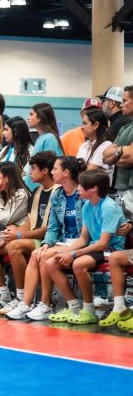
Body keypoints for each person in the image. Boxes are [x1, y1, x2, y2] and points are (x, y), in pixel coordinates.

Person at [5, 156, 86, 321]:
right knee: (38, 253)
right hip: (62, 241)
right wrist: (47, 243)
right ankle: (26, 303)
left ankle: (45, 304)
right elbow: (53, 227)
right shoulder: (58, 195)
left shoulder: (83, 195)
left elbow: (87, 231)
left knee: (42, 256)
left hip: (80, 242)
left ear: (66, 172)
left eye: (55, 169)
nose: (52, 172)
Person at [44, 169, 127, 325]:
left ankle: (88, 310)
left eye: (81, 186)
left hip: (110, 249)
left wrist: (74, 254)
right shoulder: (87, 205)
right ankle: (73, 307)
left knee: (78, 264)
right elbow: (83, 238)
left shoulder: (109, 207)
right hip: (94, 247)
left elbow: (102, 244)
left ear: (93, 189)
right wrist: (66, 251)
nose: (78, 189)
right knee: (51, 263)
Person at [103, 85, 133, 214]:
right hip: (121, 189)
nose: (121, 105)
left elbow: (130, 157)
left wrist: (116, 153)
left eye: (125, 101)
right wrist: (121, 151)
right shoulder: (124, 128)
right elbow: (106, 157)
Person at [25, 102, 64, 189]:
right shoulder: (41, 138)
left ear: (40, 117)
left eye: (31, 114)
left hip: (42, 189)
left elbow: (49, 168)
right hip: (33, 188)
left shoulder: (49, 138)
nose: (28, 118)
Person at [75, 107, 112, 181]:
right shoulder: (84, 145)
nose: (82, 127)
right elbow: (75, 169)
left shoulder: (106, 146)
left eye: (85, 123)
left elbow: (88, 173)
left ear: (95, 125)